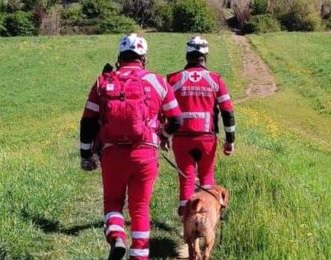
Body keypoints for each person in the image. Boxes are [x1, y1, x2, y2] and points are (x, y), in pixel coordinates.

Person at [79, 33, 182, 260]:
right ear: (143, 58)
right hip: (144, 153)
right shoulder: (157, 81)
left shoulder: (103, 82)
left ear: (119, 56)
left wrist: (86, 153)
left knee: (113, 202)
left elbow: (87, 121)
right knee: (140, 208)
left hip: (112, 153)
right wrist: (163, 134)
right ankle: (139, 256)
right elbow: (176, 119)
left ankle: (116, 237)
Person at [166, 36, 236, 219]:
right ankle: (207, 220)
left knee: (186, 178)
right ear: (206, 56)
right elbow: (227, 111)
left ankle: (187, 224)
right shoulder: (215, 80)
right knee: (207, 177)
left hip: (181, 138)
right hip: (207, 139)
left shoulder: (173, 79)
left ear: (187, 55)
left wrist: (163, 135)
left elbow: (162, 108)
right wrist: (230, 140)